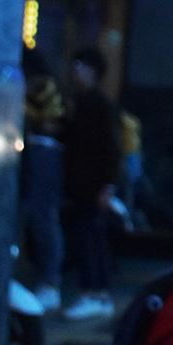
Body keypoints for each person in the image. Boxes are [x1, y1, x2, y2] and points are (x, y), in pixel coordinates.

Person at [61, 46, 123, 321]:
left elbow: (111, 148)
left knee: (89, 238)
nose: (75, 72)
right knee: (91, 237)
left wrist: (107, 185)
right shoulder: (84, 102)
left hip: (92, 184)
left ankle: (94, 292)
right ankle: (97, 293)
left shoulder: (97, 105)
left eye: (80, 67)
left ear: (92, 72)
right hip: (85, 183)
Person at [19, 47, 66, 313]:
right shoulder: (44, 85)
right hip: (36, 153)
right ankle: (44, 278)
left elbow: (51, 122)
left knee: (42, 218)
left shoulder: (45, 88)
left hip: (42, 153)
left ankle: (49, 281)